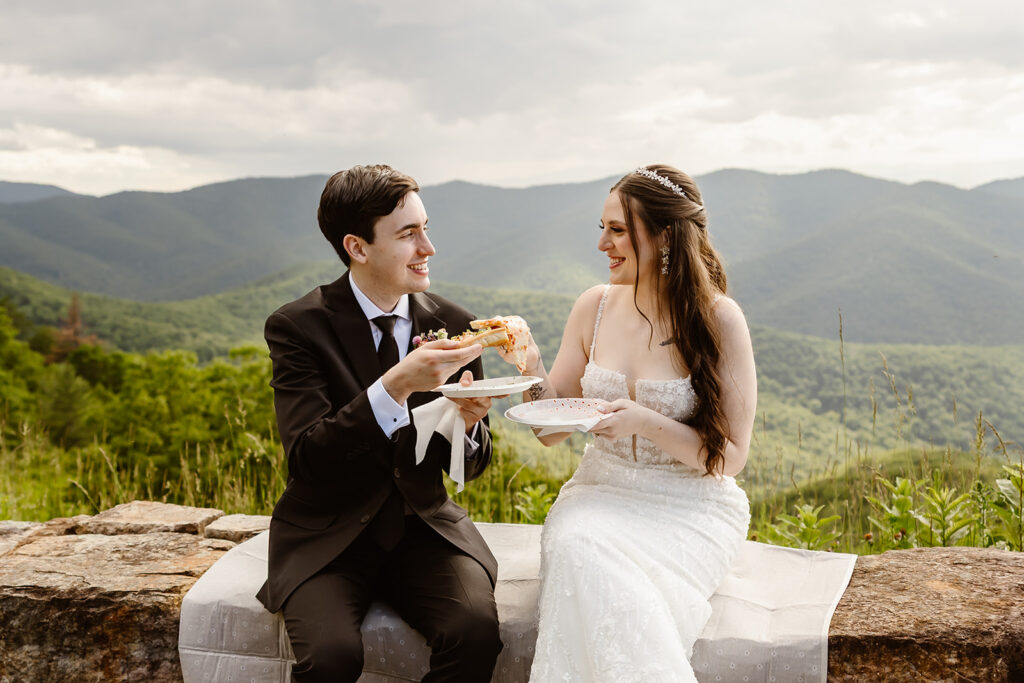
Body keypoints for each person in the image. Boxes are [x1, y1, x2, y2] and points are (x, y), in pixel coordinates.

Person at [503, 165, 756, 681]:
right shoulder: (592, 307)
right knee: (578, 546)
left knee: (606, 577)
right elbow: (551, 431)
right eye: (602, 227)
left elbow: (730, 458)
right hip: (599, 494)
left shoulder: (718, 318)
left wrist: (646, 422)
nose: (602, 243)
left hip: (691, 508)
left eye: (617, 230)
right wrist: (530, 366)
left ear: (664, 236)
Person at [255, 164, 503, 682]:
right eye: (409, 234)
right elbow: (306, 458)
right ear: (357, 247)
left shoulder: (455, 324)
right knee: (331, 658)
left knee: (475, 631)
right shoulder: (298, 327)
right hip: (328, 536)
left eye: (426, 228)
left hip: (425, 529)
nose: (428, 248)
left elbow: (475, 465)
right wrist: (394, 387)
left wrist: (471, 425)